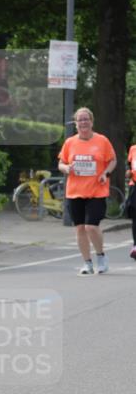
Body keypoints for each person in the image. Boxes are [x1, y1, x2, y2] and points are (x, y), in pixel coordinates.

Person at [58, 107, 117, 274]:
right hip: (75, 191)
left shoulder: (102, 141)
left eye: (86, 119)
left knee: (91, 226)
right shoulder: (70, 142)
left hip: (97, 190)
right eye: (80, 120)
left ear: (91, 122)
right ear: (76, 124)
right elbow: (61, 163)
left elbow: (112, 160)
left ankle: (101, 257)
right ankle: (87, 263)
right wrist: (67, 168)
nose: (83, 122)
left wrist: (106, 173)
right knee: (80, 228)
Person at [126, 142, 136, 260]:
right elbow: (130, 168)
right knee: (135, 217)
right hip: (134, 186)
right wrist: (128, 173)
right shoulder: (133, 149)